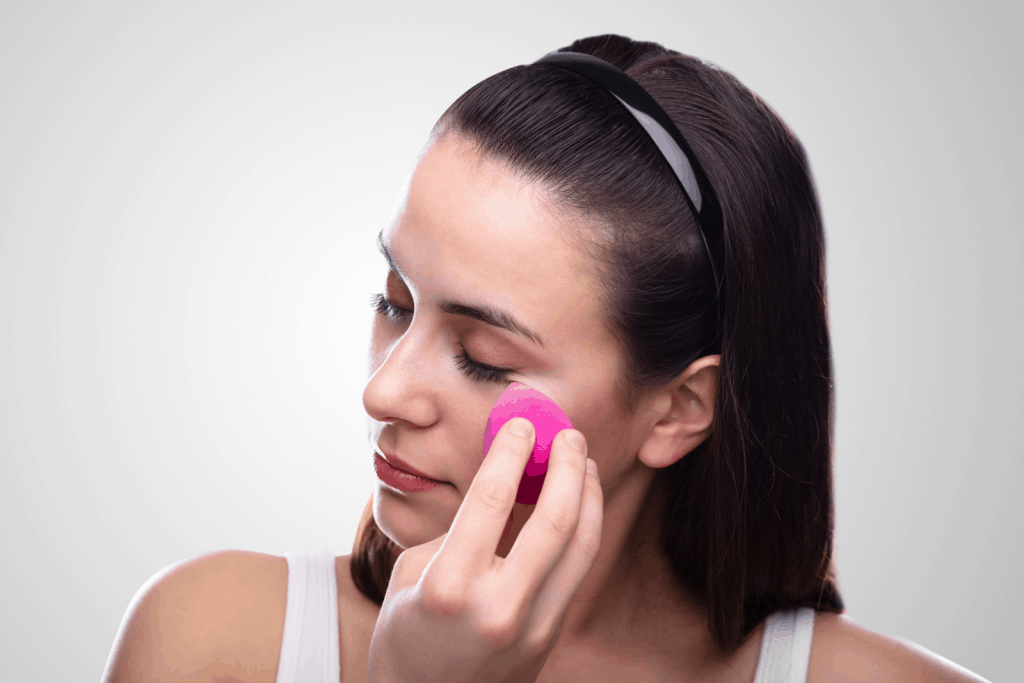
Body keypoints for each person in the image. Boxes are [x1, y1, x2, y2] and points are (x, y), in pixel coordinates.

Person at [101, 34, 989, 683]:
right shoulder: (209, 640)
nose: (384, 389)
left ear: (679, 408)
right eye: (394, 303)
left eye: (485, 357)